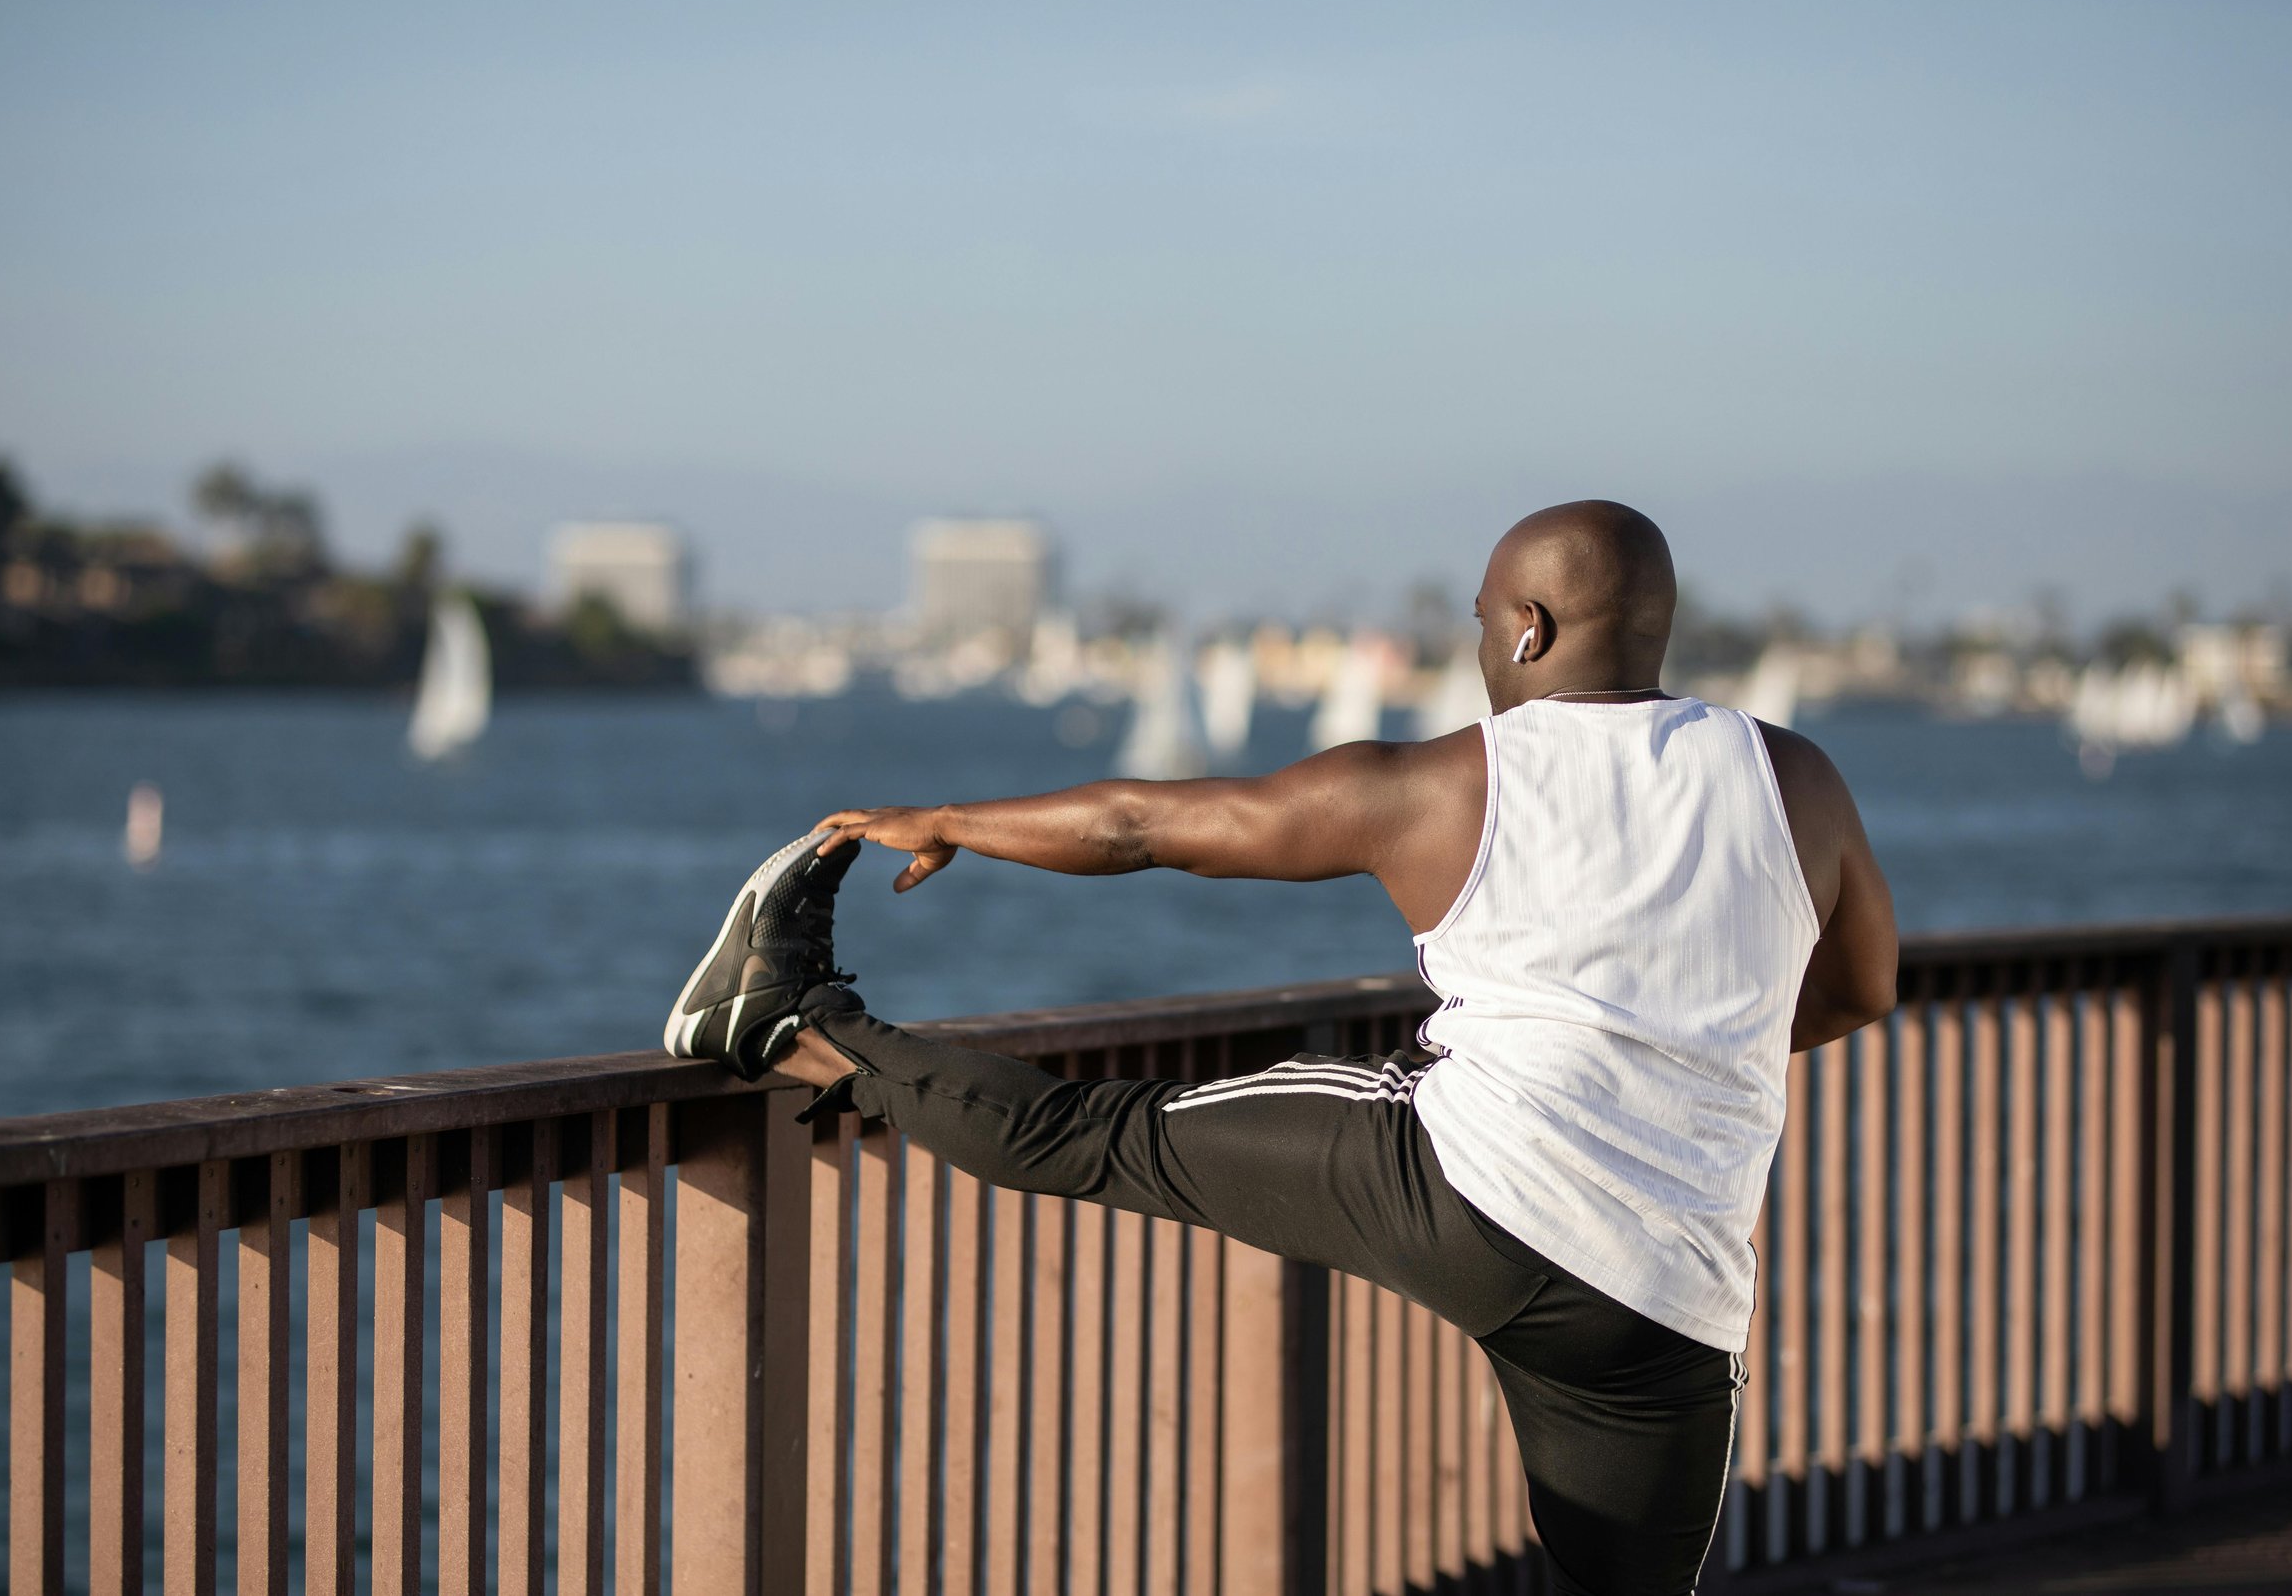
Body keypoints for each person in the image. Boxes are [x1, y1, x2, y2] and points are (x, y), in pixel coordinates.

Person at [662, 500, 1897, 1596]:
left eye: (1480, 621)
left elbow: (1145, 824)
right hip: (1666, 1299)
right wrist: (1684, 1046)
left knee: (1093, 1133)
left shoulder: (1453, 780)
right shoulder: (1795, 776)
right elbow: (1861, 987)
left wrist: (949, 819)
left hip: (1466, 1190)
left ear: (1528, 627)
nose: (1480, 647)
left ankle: (783, 1018)